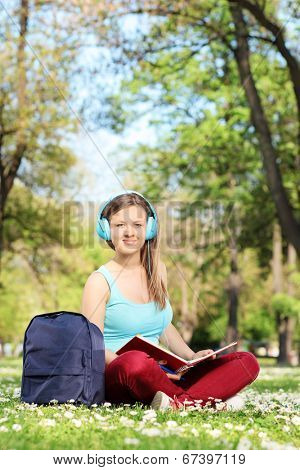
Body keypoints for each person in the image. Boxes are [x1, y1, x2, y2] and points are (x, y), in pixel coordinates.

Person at [81, 190, 260, 411]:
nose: (129, 232)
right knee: (135, 361)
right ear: (107, 230)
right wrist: (152, 368)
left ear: (149, 229)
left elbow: (163, 326)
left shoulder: (158, 272)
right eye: (119, 226)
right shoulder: (99, 281)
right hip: (121, 373)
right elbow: (91, 347)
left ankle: (176, 403)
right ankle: (206, 402)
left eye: (138, 225)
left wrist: (190, 357)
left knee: (246, 362)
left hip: (163, 375)